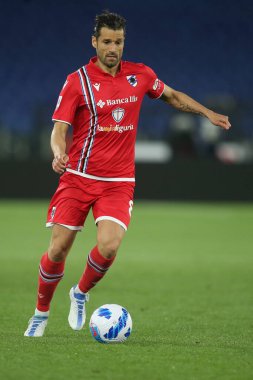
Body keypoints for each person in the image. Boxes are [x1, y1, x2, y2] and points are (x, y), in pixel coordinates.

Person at [24, 11, 231, 337]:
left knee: (108, 246)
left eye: (118, 42)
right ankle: (41, 312)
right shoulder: (77, 81)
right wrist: (58, 152)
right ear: (94, 42)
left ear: (124, 43)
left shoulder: (141, 75)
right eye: (106, 41)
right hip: (78, 176)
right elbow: (59, 128)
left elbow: (173, 96)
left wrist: (207, 113)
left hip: (118, 182)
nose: (112, 48)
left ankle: (79, 292)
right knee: (57, 250)